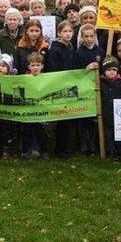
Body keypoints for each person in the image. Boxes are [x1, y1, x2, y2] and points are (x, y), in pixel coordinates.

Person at [46, 21, 76, 159]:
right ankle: (58, 149)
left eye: (70, 31)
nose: (68, 34)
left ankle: (64, 148)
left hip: (70, 85)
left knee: (68, 120)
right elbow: (53, 69)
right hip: (60, 86)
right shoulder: (55, 49)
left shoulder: (71, 47)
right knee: (60, 119)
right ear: (59, 33)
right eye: (65, 31)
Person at [74, 24, 103, 155]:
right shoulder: (78, 52)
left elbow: (105, 70)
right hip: (84, 89)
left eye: (91, 36)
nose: (89, 39)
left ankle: (93, 144)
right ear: (82, 37)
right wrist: (87, 68)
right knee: (83, 118)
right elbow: (76, 72)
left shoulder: (100, 51)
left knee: (94, 118)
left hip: (97, 88)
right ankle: (83, 144)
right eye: (86, 36)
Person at [0, 54, 18, 159]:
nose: (0, 68)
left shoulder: (13, 80)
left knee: (7, 130)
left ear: (9, 68)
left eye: (3, 66)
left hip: (8, 111)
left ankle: (6, 149)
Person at [99, 57, 121, 160]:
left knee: (120, 133)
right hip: (106, 114)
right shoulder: (100, 84)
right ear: (104, 71)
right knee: (108, 134)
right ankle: (111, 152)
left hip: (119, 115)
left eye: (114, 70)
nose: (111, 72)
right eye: (108, 69)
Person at [23, 52, 49, 159]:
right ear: (29, 66)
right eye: (33, 65)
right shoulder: (24, 78)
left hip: (41, 110)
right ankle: (26, 151)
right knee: (27, 131)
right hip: (28, 110)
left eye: (38, 65)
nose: (35, 68)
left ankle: (44, 151)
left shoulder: (46, 78)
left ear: (42, 66)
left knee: (41, 132)